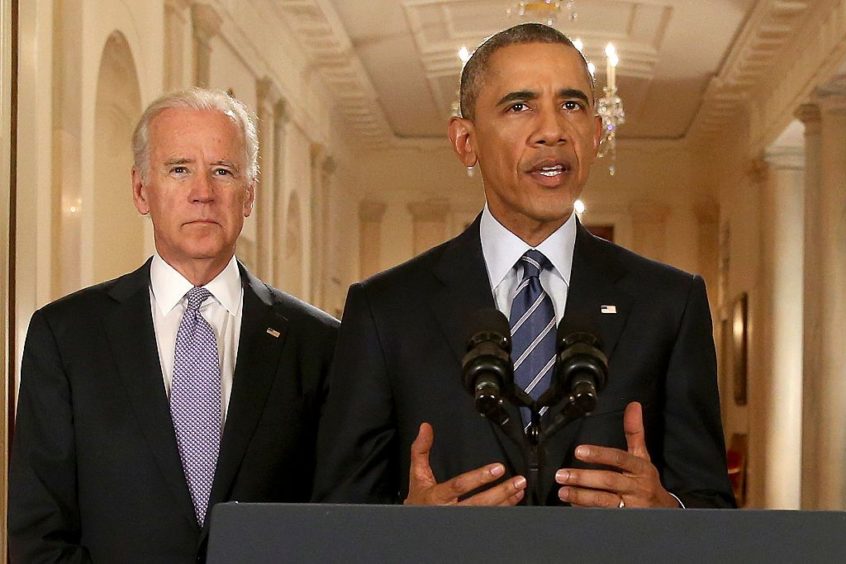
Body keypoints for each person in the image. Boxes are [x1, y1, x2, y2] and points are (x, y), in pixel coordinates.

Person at [313, 23, 735, 509]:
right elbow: (337, 516)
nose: (553, 131)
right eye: (520, 106)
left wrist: (668, 514)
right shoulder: (384, 310)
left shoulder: (670, 304)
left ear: (596, 135)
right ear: (465, 141)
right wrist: (406, 532)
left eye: (572, 105)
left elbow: (711, 508)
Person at [8, 87, 338, 562]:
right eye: (179, 169)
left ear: (248, 195)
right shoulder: (65, 337)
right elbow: (38, 532)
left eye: (222, 171)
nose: (202, 192)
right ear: (142, 190)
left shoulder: (319, 344)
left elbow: (335, 518)